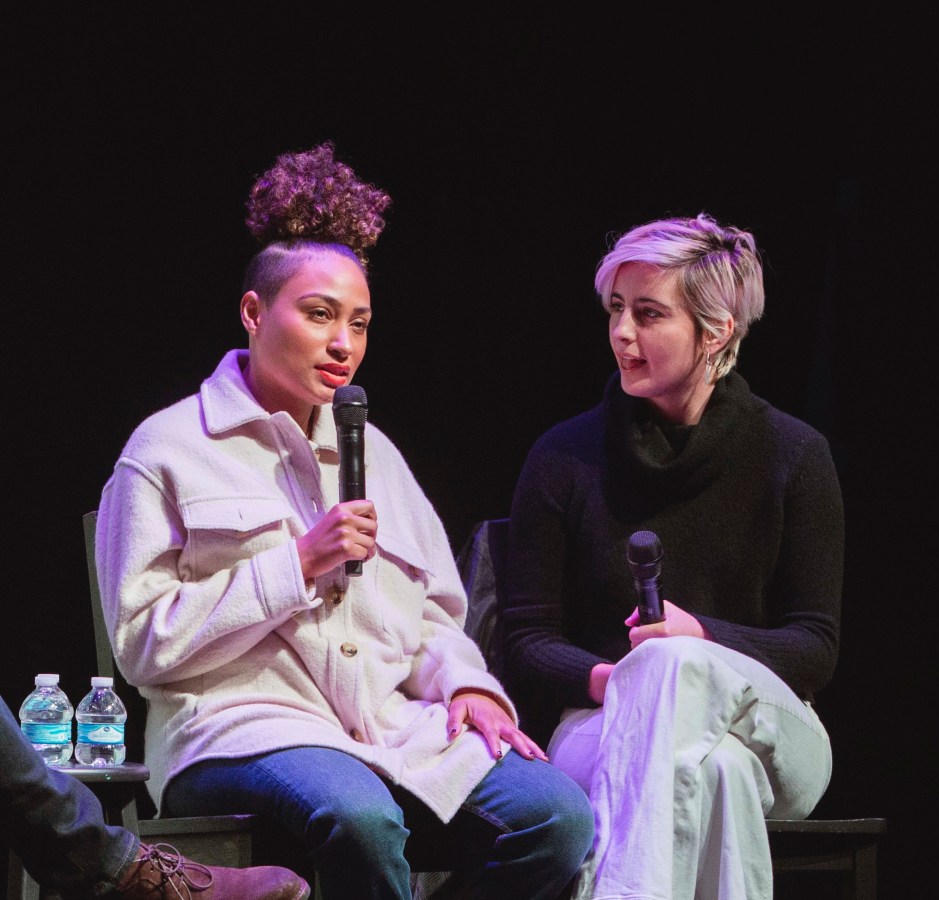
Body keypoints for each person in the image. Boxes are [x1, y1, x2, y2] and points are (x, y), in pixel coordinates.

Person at [94, 142, 593, 900]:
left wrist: (466, 684)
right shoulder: (168, 448)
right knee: (360, 815)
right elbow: (140, 645)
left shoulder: (376, 453)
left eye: (359, 324)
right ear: (254, 311)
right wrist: (294, 564)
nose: (343, 345)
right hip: (236, 728)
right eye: (320, 314)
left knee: (556, 818)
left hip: (388, 731)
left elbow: (433, 612)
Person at [499, 212, 844, 900]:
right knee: (715, 773)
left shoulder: (792, 455)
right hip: (602, 725)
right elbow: (527, 639)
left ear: (715, 331)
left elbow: (814, 646)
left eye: (648, 314)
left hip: (775, 731)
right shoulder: (563, 457)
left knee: (676, 660)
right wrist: (625, 680)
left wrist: (702, 640)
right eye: (615, 310)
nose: (622, 333)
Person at [1, 698, 309, 899]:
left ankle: (107, 859)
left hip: (319, 725)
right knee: (349, 811)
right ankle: (107, 862)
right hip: (219, 721)